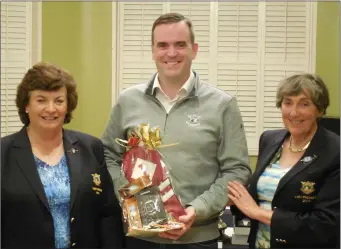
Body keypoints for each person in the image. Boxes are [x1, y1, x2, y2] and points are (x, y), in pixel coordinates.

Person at [101, 13, 251, 248]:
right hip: (139, 239)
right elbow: (108, 156)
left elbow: (237, 170)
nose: (171, 53)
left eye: (180, 45)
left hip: (198, 239)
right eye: (163, 45)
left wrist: (197, 209)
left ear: (194, 49)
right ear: (153, 51)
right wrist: (131, 198)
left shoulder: (223, 105)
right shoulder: (127, 101)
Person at [1, 62, 125, 248]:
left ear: (68, 106)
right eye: (41, 100)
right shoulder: (4, 152)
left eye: (59, 101)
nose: (51, 109)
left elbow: (107, 215)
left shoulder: (91, 147)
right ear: (26, 105)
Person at [228, 73, 340, 248]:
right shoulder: (269, 139)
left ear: (319, 109)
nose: (294, 112)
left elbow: (325, 223)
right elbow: (261, 195)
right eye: (287, 102)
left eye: (304, 104)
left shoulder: (335, 151)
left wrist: (257, 212)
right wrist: (234, 198)